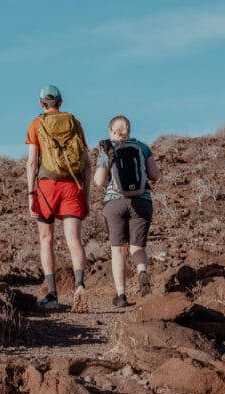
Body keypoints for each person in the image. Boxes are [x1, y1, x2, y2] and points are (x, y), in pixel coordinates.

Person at [25, 85, 92, 312]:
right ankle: (80, 286)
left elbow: (32, 162)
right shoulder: (74, 123)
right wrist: (87, 195)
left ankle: (52, 295)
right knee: (73, 238)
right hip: (73, 185)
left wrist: (30, 193)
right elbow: (87, 161)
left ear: (41, 103)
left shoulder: (36, 124)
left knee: (46, 239)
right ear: (61, 103)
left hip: (46, 186)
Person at [94, 115, 161, 307]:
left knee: (118, 250)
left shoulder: (107, 149)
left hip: (114, 203)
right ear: (129, 130)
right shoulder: (142, 147)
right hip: (142, 202)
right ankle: (142, 271)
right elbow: (155, 175)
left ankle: (121, 295)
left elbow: (99, 181)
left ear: (111, 131)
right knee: (137, 247)